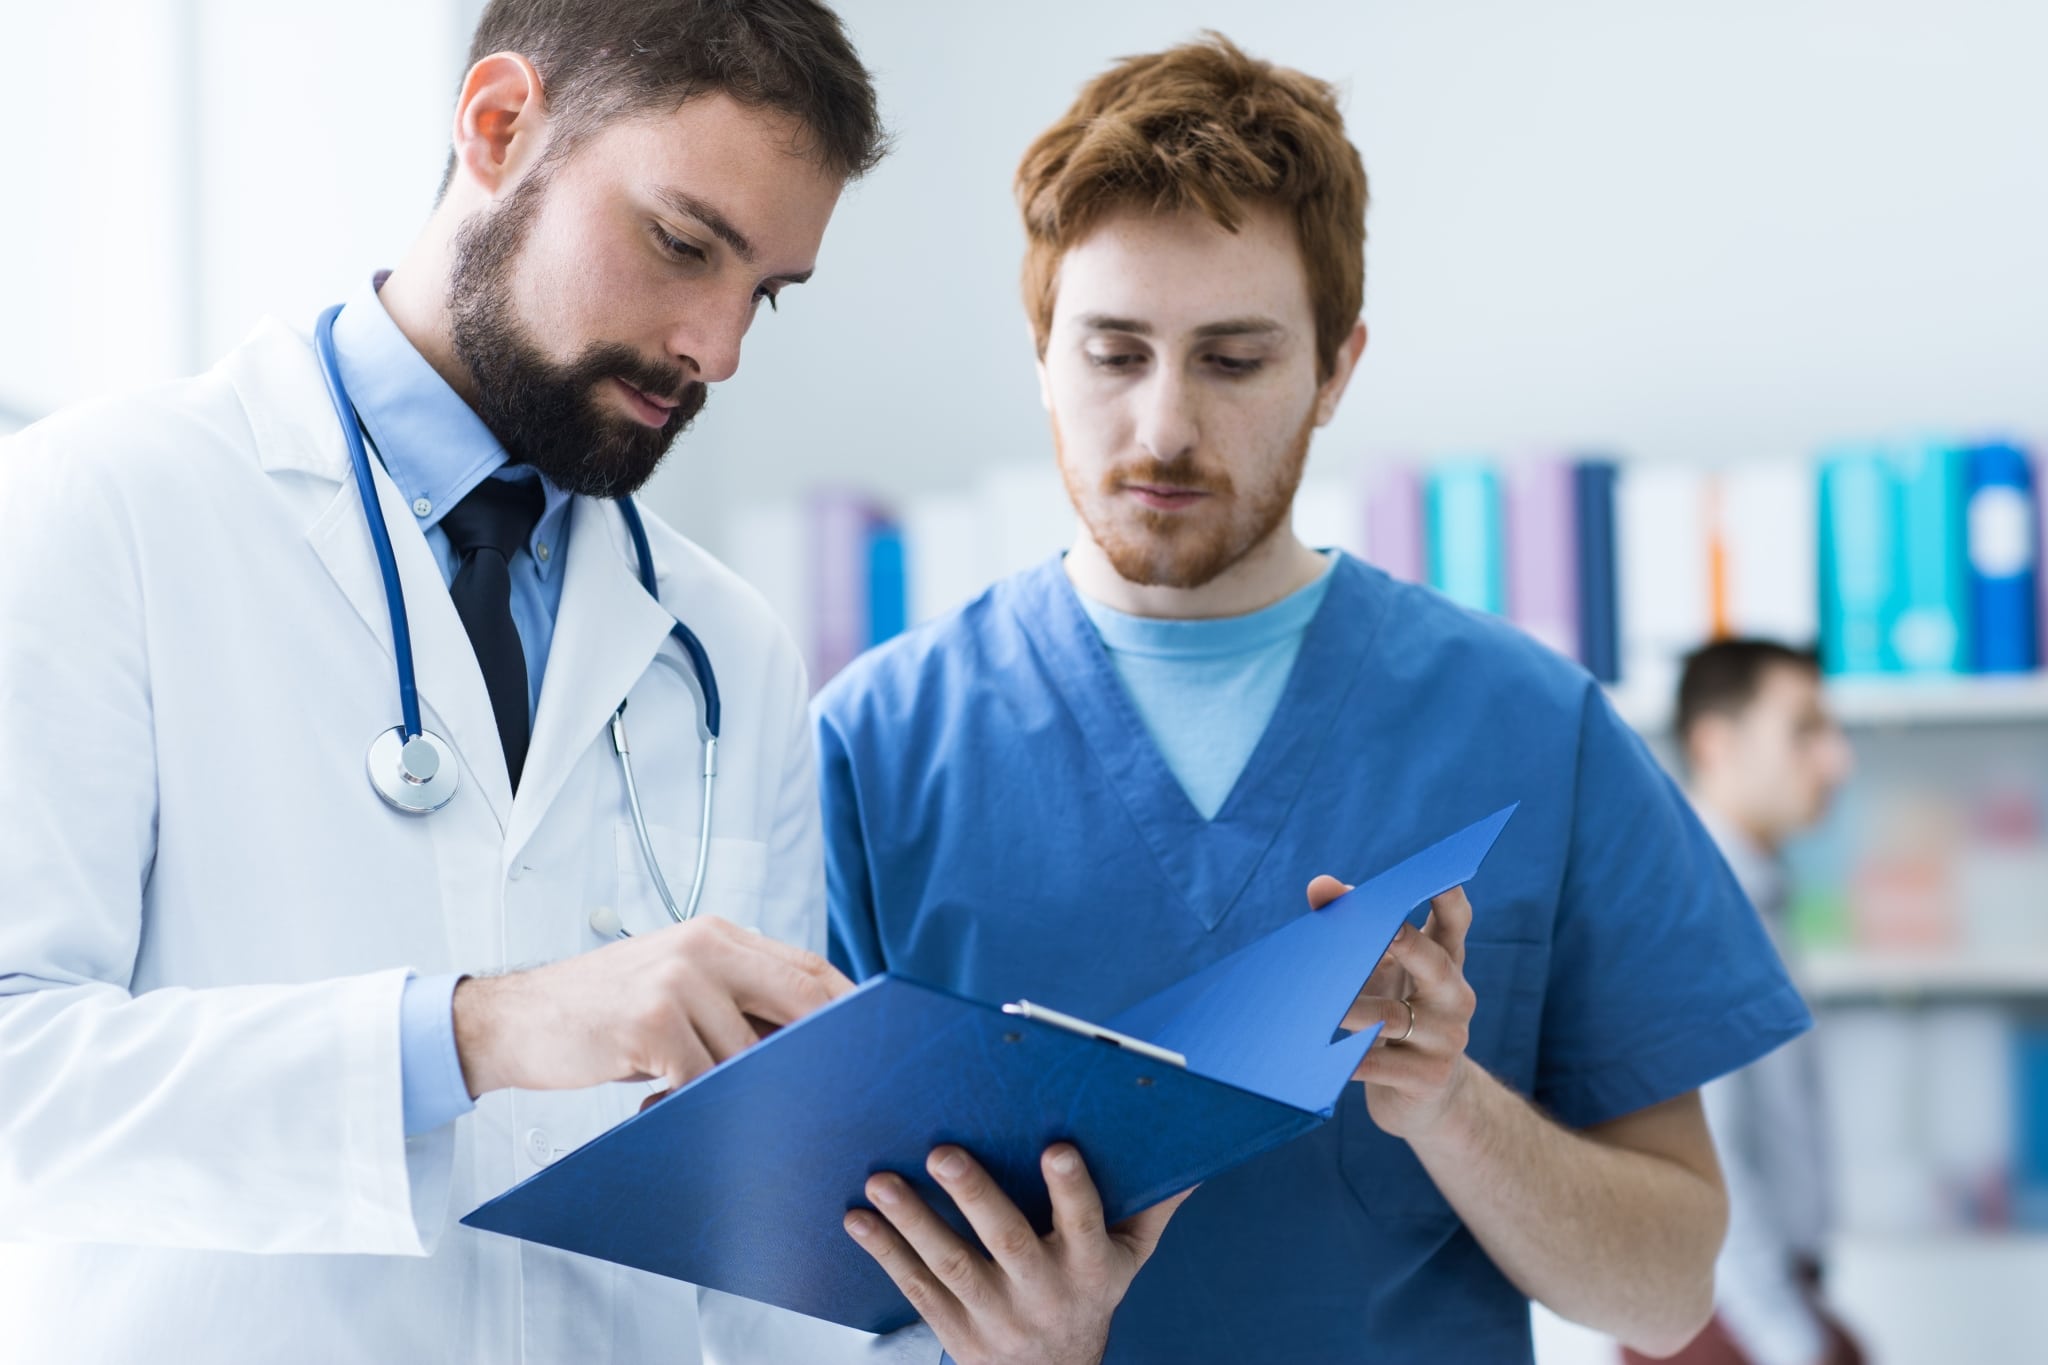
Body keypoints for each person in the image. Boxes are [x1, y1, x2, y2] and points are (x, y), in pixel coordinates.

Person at [0, 5, 1169, 1362]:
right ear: (498, 127)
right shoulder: (100, 511)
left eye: (765, 292)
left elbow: (760, 1299)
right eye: (682, 243)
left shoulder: (726, 654)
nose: (718, 349)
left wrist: (1001, 1342)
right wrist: (477, 1033)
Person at [803, 34, 1815, 1364]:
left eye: (1232, 360)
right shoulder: (877, 748)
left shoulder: (1530, 729)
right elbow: (772, 1282)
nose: (1163, 427)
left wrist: (1449, 1103)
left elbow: (1669, 1289)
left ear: (1337, 368)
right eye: (1112, 354)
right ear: (1042, 352)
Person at [1627, 641, 1863, 1365]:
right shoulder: (1691, 903)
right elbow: (1711, 1155)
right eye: (1804, 729)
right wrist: (1792, 1343)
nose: (1837, 760)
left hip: (1759, 1302)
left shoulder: (1756, 888)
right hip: (1722, 1317)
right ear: (1715, 743)